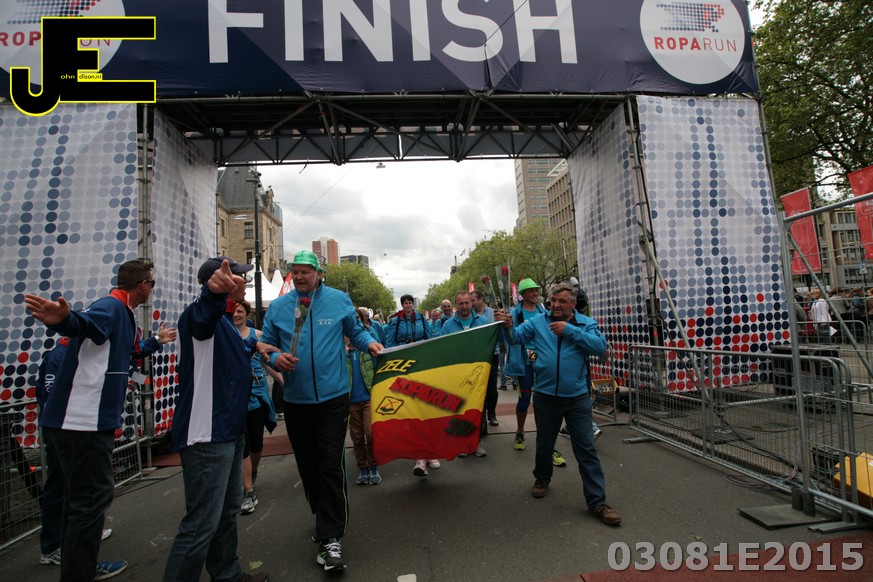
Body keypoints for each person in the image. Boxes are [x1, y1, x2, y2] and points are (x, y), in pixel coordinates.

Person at [25, 258, 158, 581]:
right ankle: (79, 571)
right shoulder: (111, 306)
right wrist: (65, 319)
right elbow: (83, 324)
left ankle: (76, 565)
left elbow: (129, 350)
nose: (153, 289)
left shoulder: (124, 313)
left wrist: (156, 342)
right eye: (152, 283)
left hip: (83, 423)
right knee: (91, 500)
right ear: (143, 285)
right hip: (81, 424)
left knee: (82, 499)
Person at [260, 250, 383, 572]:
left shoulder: (339, 300)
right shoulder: (279, 307)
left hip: (333, 398)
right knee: (309, 465)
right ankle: (323, 515)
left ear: (318, 273)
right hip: (296, 401)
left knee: (330, 463)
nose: (300, 276)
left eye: (306, 271)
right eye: (296, 271)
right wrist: (275, 359)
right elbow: (266, 346)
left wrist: (369, 342)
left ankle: (331, 537)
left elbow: (356, 332)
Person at [37, 320, 176, 572]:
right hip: (67, 432)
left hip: (84, 431)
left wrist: (155, 344)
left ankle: (80, 533)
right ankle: (53, 546)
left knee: (79, 490)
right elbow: (53, 394)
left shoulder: (95, 351)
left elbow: (129, 360)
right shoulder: (60, 355)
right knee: (62, 487)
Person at [164, 257, 269, 582]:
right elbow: (202, 318)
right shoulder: (201, 314)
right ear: (220, 280)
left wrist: (262, 351)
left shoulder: (224, 321)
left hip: (226, 431)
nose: (245, 282)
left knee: (225, 512)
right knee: (201, 524)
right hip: (207, 434)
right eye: (239, 276)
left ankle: (227, 574)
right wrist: (213, 293)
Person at [499, 281, 621, 526]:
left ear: (573, 304)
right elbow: (515, 339)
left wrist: (569, 330)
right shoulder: (538, 321)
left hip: (577, 398)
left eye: (562, 301)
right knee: (545, 443)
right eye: (553, 300)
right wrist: (508, 326)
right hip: (545, 396)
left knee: (586, 448)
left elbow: (600, 347)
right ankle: (542, 478)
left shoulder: (585, 324)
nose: (555, 305)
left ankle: (597, 502)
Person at [231, 301, 278, 515]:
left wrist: (283, 380)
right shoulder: (227, 334)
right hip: (236, 396)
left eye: (240, 311)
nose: (236, 314)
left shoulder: (257, 335)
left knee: (256, 443)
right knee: (243, 442)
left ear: (247, 314)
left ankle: (253, 471)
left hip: (257, 393)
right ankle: (248, 490)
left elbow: (268, 360)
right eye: (233, 311)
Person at [436, 290, 491, 460]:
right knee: (460, 409)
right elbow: (441, 347)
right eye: (461, 303)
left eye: (467, 303)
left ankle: (475, 443)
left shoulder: (483, 322)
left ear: (471, 303)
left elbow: (491, 344)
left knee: (477, 409)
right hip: (457, 374)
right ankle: (460, 444)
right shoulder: (448, 325)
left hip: (478, 374)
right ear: (456, 305)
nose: (465, 306)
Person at [504, 278, 546, 452]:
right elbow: (509, 338)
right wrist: (505, 326)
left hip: (543, 362)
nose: (535, 293)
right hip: (524, 363)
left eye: (536, 290)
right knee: (524, 402)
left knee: (543, 402)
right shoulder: (514, 313)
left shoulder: (544, 311)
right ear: (522, 294)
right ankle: (520, 431)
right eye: (531, 291)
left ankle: (545, 439)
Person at [348, 310, 381, 485]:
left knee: (371, 433)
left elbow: (379, 366)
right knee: (357, 437)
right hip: (350, 401)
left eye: (357, 320)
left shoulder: (368, 347)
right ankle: (362, 467)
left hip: (368, 399)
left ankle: (373, 465)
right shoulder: (342, 351)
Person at [470, 290, 500, 427]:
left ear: (481, 299)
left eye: (473, 300)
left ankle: (491, 414)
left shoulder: (493, 313)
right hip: (475, 356)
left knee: (492, 388)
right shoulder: (469, 315)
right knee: (476, 388)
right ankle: (480, 416)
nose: (471, 304)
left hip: (492, 354)